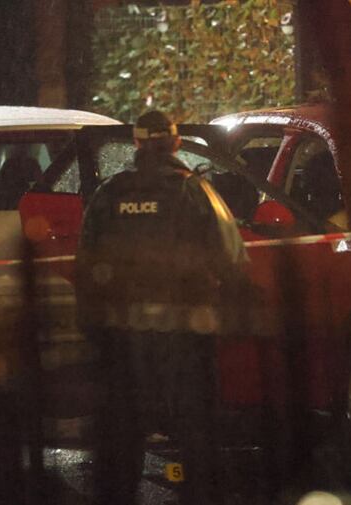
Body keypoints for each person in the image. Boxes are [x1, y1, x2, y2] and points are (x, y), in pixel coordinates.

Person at [75, 110, 250, 505]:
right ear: (174, 143)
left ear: (135, 144)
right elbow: (233, 259)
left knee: (123, 432)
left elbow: (86, 267)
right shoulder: (195, 191)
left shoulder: (110, 194)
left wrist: (93, 329)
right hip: (185, 332)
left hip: (123, 336)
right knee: (195, 431)